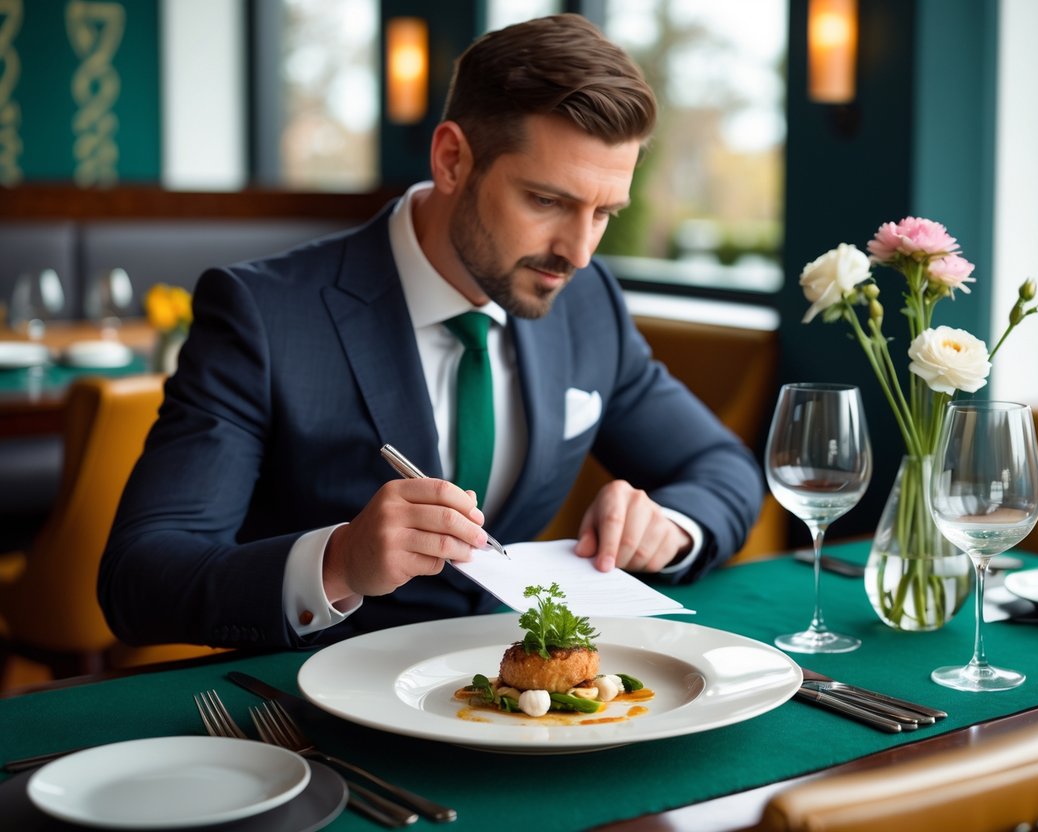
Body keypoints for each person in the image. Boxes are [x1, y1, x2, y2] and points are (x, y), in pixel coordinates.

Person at [98, 13, 764, 649]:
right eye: (547, 201)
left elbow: (720, 468)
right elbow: (139, 577)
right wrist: (338, 562)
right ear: (451, 159)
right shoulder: (263, 315)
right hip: (312, 713)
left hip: (513, 707)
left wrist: (668, 528)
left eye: (602, 213)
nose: (578, 252)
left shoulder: (587, 304)